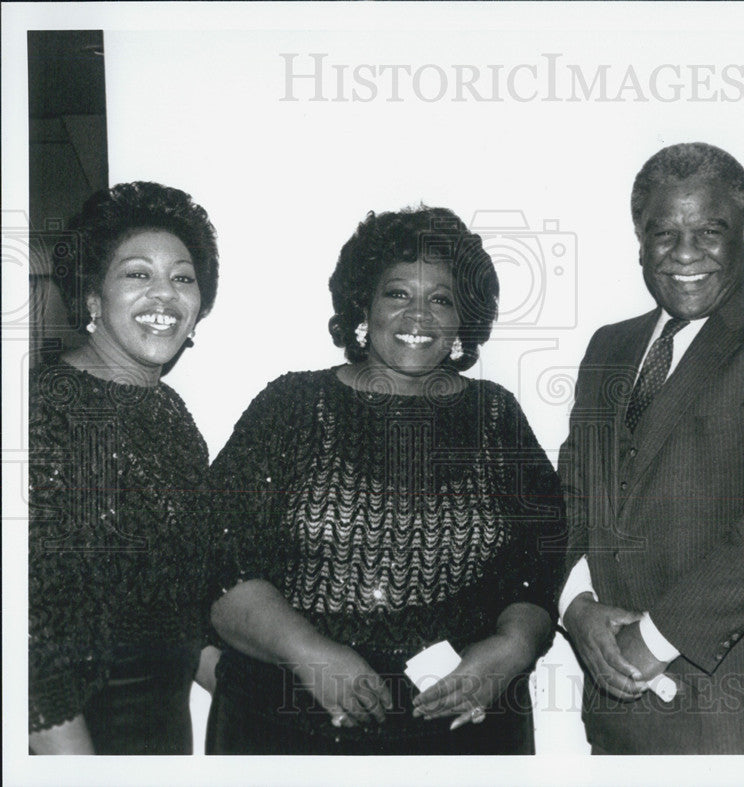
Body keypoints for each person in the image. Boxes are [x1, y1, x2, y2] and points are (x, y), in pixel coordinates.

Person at [206, 206, 565, 755]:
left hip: (462, 727)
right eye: (397, 294)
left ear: (462, 321)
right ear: (363, 306)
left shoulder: (496, 416)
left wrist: (514, 648)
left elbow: (542, 557)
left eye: (441, 299)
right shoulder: (293, 405)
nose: (418, 315)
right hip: (290, 721)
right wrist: (308, 651)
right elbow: (216, 557)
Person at [557, 142, 744, 754]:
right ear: (639, 242)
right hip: (620, 721)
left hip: (739, 722)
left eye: (709, 231)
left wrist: (653, 640)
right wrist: (577, 606)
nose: (685, 253)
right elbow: (570, 496)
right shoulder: (608, 349)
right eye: (663, 233)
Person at [29, 181, 221, 754]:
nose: (165, 295)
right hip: (78, 736)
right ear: (92, 298)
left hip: (160, 733)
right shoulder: (53, 411)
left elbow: (173, 601)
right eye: (138, 274)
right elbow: (28, 630)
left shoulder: (170, 413)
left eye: (182, 278)